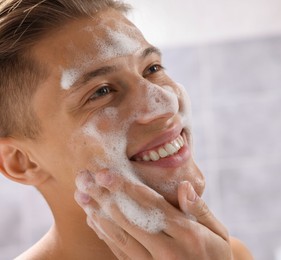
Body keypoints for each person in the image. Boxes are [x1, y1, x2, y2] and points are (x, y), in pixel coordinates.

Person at [0, 0, 253, 259]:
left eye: (152, 69)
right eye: (101, 92)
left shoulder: (227, 254)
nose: (166, 103)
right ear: (21, 162)